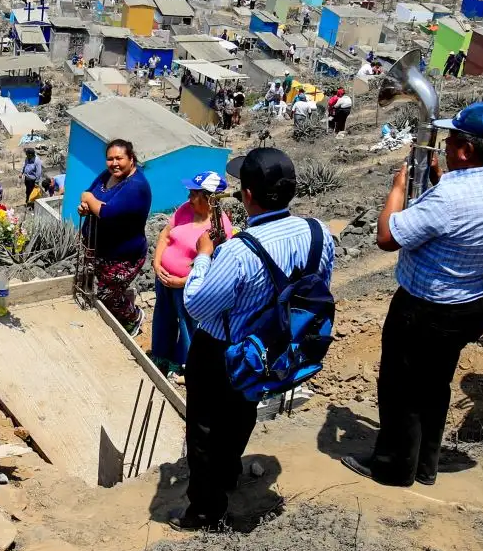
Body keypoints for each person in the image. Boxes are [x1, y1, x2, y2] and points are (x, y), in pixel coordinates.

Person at [349, 102, 483, 487]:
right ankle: (425, 464)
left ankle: (394, 468)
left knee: (400, 389)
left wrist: (397, 190)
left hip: (425, 309)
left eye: (451, 140)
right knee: (434, 384)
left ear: (466, 150)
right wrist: (441, 180)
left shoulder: (448, 198)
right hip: (472, 305)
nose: (444, 146)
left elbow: (387, 237)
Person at [177, 149, 333, 530]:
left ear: (247, 195)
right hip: (277, 345)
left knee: (204, 426)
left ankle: (204, 510)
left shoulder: (237, 252)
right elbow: (318, 285)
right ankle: (229, 471)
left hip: (223, 349)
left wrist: (202, 258)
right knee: (244, 409)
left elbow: (197, 304)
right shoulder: (318, 232)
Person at [151, 172, 228, 377]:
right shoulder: (184, 211)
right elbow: (165, 235)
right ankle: (161, 356)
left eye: (194, 194)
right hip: (164, 280)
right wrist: (157, 263)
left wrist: (183, 281)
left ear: (210, 199)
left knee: (187, 324)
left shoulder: (219, 228)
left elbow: (214, 264)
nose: (189, 199)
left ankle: (183, 364)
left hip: (185, 286)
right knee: (163, 317)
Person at [77, 139, 153, 333]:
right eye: (110, 159)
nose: (114, 163)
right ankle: (117, 303)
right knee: (100, 287)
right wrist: (86, 206)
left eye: (119, 158)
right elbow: (91, 193)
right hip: (100, 247)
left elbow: (107, 212)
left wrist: (88, 199)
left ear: (131, 158)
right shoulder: (108, 175)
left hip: (123, 255)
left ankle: (134, 317)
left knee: (106, 294)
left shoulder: (136, 186)